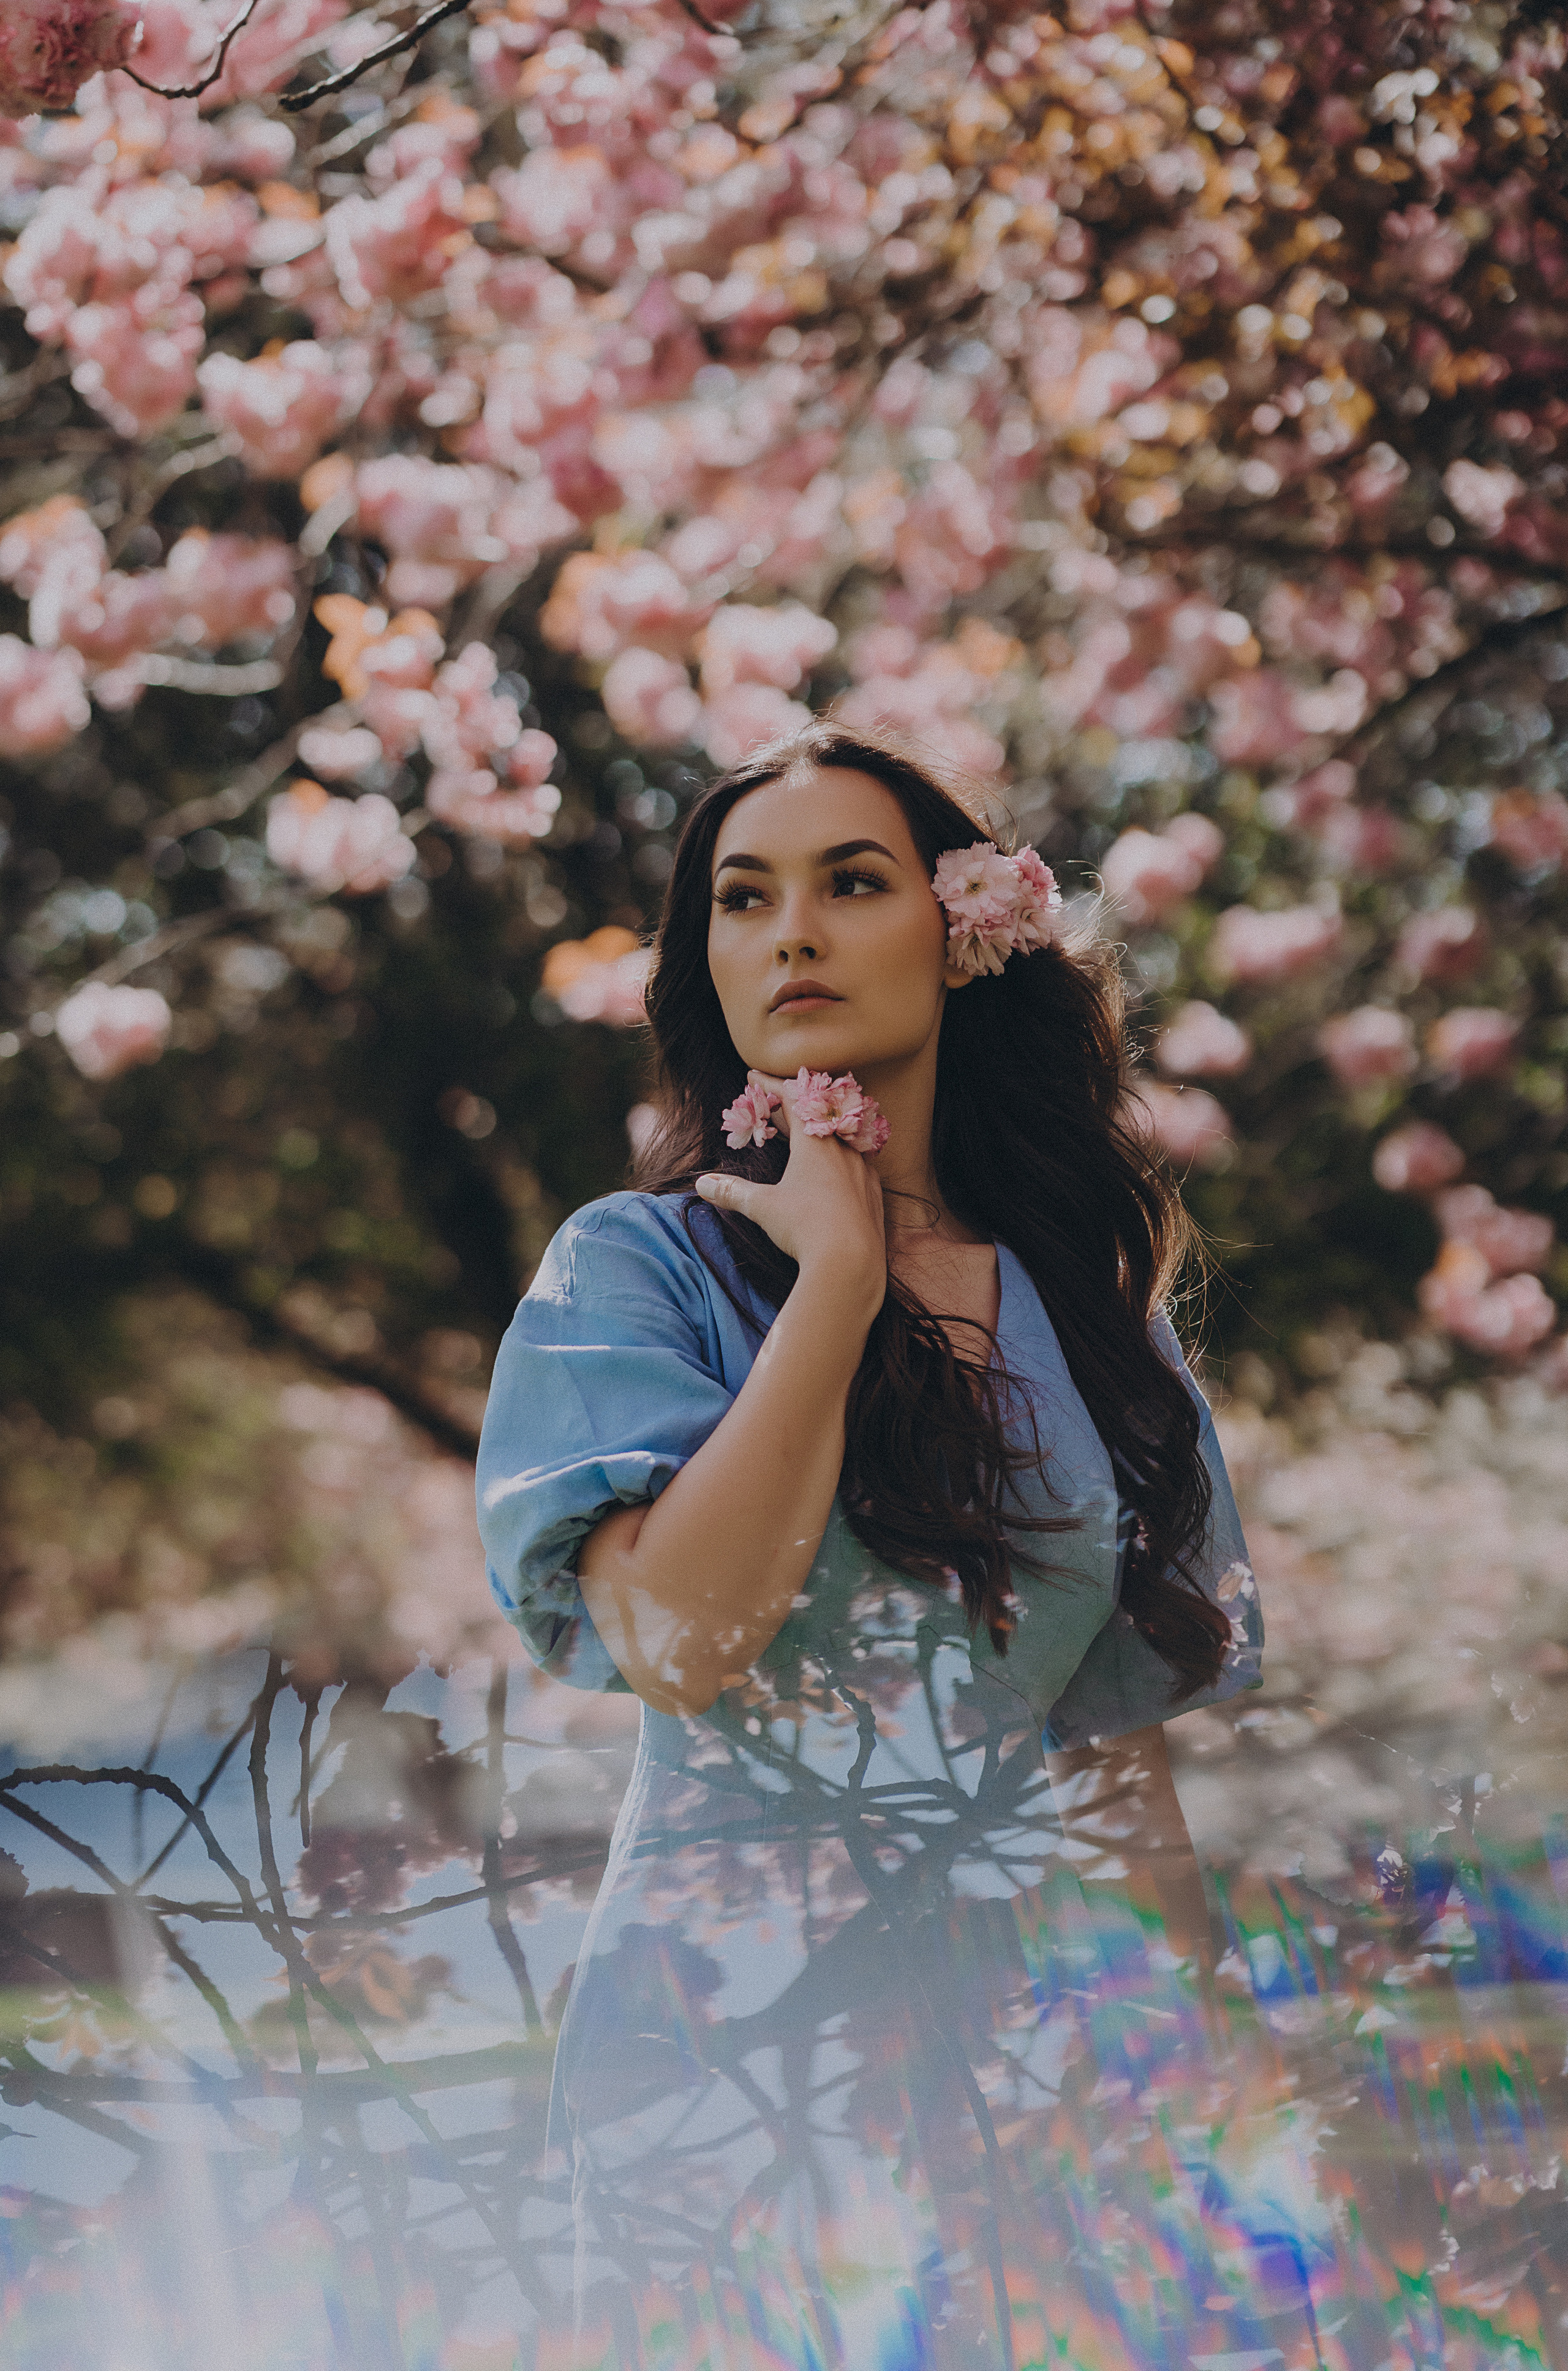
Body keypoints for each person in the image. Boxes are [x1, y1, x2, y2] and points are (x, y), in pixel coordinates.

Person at [478, 723, 1264, 2371]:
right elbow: (681, 1646)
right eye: (745, 901)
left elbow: (1109, 1754)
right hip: (719, 2042)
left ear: (962, 933)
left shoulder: (1094, 1314)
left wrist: (1221, 2050)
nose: (795, 933)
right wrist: (832, 1283)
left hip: (1027, 2037)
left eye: (851, 881)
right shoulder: (636, 1272)